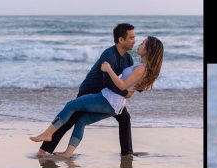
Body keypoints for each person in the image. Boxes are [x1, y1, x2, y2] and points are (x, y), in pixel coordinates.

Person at [31, 34, 164, 159]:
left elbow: (123, 86)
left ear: (148, 50)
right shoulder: (139, 65)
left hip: (108, 100)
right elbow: (131, 89)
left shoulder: (141, 69)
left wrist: (109, 69)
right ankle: (68, 153)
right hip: (114, 104)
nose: (138, 44)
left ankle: (48, 133)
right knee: (82, 121)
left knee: (71, 105)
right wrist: (128, 92)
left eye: (143, 44)